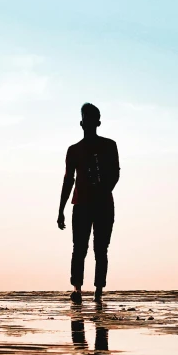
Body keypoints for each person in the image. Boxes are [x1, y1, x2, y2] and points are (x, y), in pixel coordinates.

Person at [57, 103, 120, 304]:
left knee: (100, 249)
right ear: (81, 123)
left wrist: (103, 191)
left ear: (97, 122)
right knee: (79, 248)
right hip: (81, 205)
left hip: (103, 205)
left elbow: (115, 174)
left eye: (92, 118)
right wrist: (61, 210)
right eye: (86, 118)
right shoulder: (74, 150)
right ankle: (77, 289)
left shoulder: (110, 145)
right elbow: (68, 180)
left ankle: (98, 292)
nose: (89, 122)